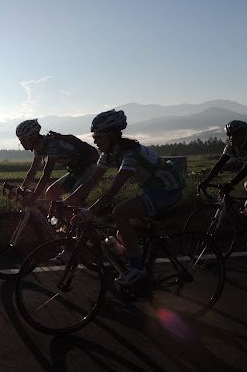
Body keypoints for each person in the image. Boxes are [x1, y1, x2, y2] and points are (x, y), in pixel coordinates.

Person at [67, 109, 186, 286]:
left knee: (120, 212)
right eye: (94, 137)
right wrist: (68, 201)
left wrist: (90, 211)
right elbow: (91, 181)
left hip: (168, 191)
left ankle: (137, 268)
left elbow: (114, 188)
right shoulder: (108, 155)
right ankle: (144, 264)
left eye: (99, 137)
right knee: (121, 232)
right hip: (151, 191)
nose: (95, 141)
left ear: (112, 136)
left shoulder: (131, 154)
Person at [15, 119, 99, 204]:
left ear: (33, 138)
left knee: (73, 201)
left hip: (90, 169)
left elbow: (46, 174)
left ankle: (85, 215)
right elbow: (33, 170)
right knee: (51, 193)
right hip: (76, 171)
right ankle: (60, 216)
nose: (21, 143)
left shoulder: (53, 145)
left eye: (23, 140)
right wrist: (22, 189)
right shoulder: (38, 148)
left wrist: (34, 197)